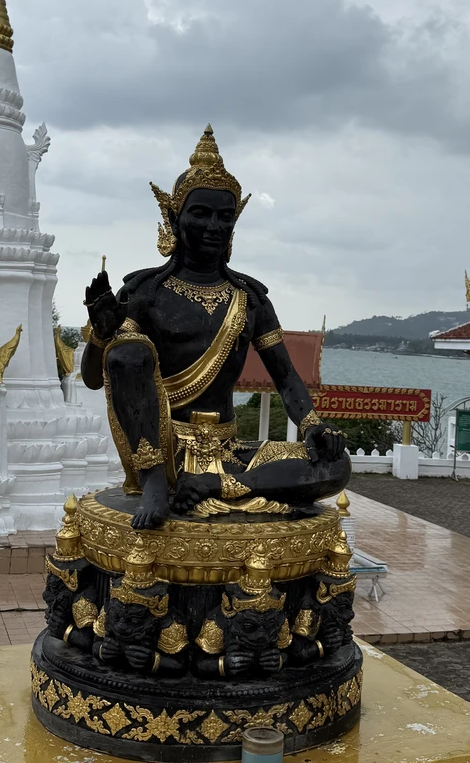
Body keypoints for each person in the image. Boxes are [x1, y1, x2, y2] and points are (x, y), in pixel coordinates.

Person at [81, 127, 349, 529]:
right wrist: (102, 336)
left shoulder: (250, 298)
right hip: (160, 446)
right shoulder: (145, 291)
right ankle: (156, 485)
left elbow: (287, 378)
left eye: (225, 217)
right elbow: (94, 378)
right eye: (201, 214)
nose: (213, 226)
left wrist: (314, 427)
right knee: (127, 350)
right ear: (174, 216)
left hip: (227, 449)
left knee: (337, 466)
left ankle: (217, 485)